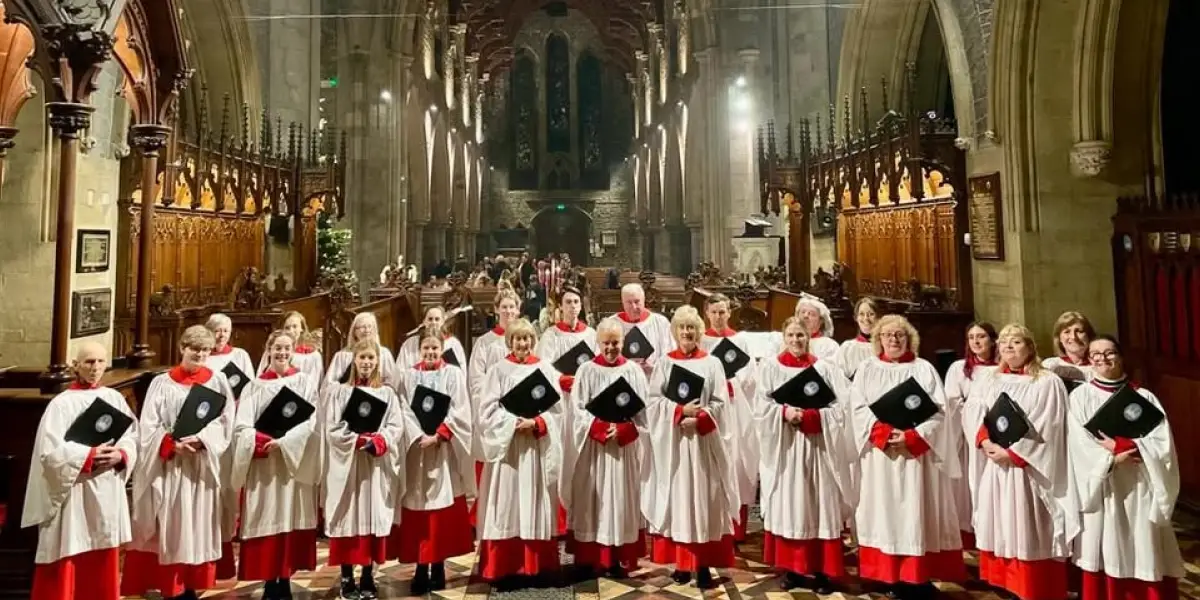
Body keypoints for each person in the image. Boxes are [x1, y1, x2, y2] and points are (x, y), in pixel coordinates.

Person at [849, 315, 964, 600]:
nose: (894, 340)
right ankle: (887, 574)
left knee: (916, 511)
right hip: (881, 456)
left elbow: (939, 412)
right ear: (878, 339)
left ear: (909, 338)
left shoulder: (923, 369)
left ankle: (916, 576)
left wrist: (913, 436)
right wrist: (884, 433)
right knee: (884, 511)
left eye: (900, 335)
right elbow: (857, 409)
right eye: (887, 335)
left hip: (916, 459)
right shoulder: (867, 369)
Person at [963, 324, 1078, 600]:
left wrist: (1014, 454)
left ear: (1030, 347)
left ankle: (1036, 587)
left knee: (1029, 524)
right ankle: (1009, 585)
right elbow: (974, 412)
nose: (1008, 347)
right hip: (996, 465)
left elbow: (1049, 425)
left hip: (1027, 470)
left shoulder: (1047, 381)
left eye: (1016, 342)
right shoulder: (989, 378)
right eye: (1003, 343)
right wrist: (985, 442)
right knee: (1002, 523)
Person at [123, 326, 237, 600]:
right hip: (171, 466)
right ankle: (171, 585)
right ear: (182, 348)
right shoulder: (162, 383)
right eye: (194, 349)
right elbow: (148, 425)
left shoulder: (217, 381)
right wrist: (171, 444)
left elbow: (225, 420)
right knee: (172, 525)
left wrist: (202, 440)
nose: (199, 354)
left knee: (197, 525)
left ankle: (190, 585)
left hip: (200, 465)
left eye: (205, 350)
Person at [1067, 335, 1183, 600]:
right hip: (1104, 486)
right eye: (1095, 354)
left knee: (1144, 542)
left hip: (1140, 482)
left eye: (1109, 353)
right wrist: (1109, 459)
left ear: (1120, 357)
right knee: (1107, 544)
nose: (1102, 358)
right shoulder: (1081, 396)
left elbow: (1162, 443)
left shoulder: (1143, 397)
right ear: (1089, 360)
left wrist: (1124, 446)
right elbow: (1078, 443)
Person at [23, 342, 138, 600]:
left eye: (99, 362)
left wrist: (121, 454)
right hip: (74, 492)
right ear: (75, 365)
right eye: (88, 362)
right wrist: (88, 455)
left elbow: (132, 437)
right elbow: (48, 454)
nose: (95, 368)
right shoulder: (61, 405)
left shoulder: (114, 398)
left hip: (106, 487)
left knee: (103, 551)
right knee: (70, 549)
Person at [754, 318, 855, 594]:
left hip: (818, 447)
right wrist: (784, 413)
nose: (796, 340)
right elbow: (760, 408)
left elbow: (840, 407)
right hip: (786, 448)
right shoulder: (771, 367)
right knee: (791, 503)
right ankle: (793, 569)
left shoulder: (824, 368)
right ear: (784, 337)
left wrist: (813, 416)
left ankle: (822, 570)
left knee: (820, 503)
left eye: (800, 335)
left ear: (808, 337)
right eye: (791, 335)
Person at [644, 305, 738, 589]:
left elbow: (721, 404)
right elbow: (653, 401)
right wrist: (678, 411)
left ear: (699, 332)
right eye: (682, 328)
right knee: (679, 499)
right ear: (675, 332)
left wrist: (700, 417)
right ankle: (682, 564)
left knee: (704, 500)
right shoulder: (664, 363)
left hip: (703, 444)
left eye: (692, 328)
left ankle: (704, 564)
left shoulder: (712, 363)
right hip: (675, 444)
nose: (687, 333)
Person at [228, 330, 321, 599]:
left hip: (293, 465)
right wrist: (261, 440)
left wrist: (287, 442)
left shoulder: (304, 382)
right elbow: (241, 427)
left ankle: (286, 578)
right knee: (268, 516)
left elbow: (312, 422)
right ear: (268, 350)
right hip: (265, 465)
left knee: (291, 516)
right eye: (277, 348)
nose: (282, 353)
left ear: (293, 351)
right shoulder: (254, 386)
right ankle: (270, 581)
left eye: (287, 348)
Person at [475, 319, 565, 589]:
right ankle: (505, 567)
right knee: (507, 503)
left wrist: (538, 423)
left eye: (527, 338)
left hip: (535, 448)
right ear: (509, 342)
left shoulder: (545, 369)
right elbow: (487, 410)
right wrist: (513, 423)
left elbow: (559, 411)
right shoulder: (498, 370)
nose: (523, 344)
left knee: (535, 500)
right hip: (510, 450)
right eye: (518, 339)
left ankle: (536, 566)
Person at [562, 320, 650, 578]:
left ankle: (620, 557)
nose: (611, 348)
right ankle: (592, 556)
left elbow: (645, 413)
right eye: (606, 343)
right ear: (597, 344)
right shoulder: (587, 371)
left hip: (623, 449)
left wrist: (625, 429)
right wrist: (599, 427)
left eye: (615, 342)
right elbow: (576, 410)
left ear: (623, 342)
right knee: (594, 499)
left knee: (622, 499)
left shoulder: (634, 371)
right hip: (594, 449)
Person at [391, 334, 475, 594]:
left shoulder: (454, 375)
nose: (430, 352)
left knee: (441, 510)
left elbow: (460, 409)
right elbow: (402, 408)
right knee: (418, 511)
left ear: (442, 349)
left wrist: (439, 434)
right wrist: (418, 435)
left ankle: (438, 565)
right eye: (426, 348)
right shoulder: (407, 376)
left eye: (435, 348)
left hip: (443, 451)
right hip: (416, 451)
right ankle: (419, 566)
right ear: (419, 350)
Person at [323, 339, 405, 600]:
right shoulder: (339, 393)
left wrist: (380, 440)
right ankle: (346, 576)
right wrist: (355, 440)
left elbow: (396, 426)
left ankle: (368, 574)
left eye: (371, 358)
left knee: (371, 514)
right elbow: (332, 428)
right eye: (362, 358)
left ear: (377, 361)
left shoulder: (387, 393)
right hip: (348, 463)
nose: (367, 363)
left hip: (373, 465)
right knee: (347, 514)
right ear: (354, 361)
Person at [535, 286, 597, 536]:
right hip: (560, 404)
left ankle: (581, 515)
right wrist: (563, 380)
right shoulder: (551, 335)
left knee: (582, 456)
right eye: (568, 302)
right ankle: (558, 518)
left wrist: (582, 382)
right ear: (560, 307)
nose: (572, 306)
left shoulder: (591, 334)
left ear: (582, 306)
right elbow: (543, 368)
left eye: (576, 302)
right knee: (560, 455)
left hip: (583, 404)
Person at [698, 293, 758, 542]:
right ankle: (713, 526)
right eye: (714, 312)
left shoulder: (740, 341)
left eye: (723, 311)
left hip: (737, 409)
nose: (719, 316)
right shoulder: (701, 341)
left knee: (738, 463)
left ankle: (737, 528)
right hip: (713, 410)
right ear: (707, 314)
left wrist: (733, 383)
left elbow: (751, 375)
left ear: (729, 312)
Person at [203, 312, 258, 579]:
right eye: (217, 330)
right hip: (209, 427)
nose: (221, 335)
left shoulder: (240, 356)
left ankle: (231, 529)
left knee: (231, 481)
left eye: (226, 330)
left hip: (234, 421)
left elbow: (250, 389)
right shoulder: (202, 356)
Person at [942, 321, 998, 549]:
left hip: (993, 435)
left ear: (993, 340)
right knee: (967, 487)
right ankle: (968, 533)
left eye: (981, 336)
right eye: (972, 337)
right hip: (966, 439)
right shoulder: (959, 368)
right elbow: (952, 402)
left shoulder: (1001, 368)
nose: (976, 341)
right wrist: (972, 414)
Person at [605, 283, 674, 374]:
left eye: (637, 302)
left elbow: (670, 354)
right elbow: (604, 356)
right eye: (629, 302)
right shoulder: (610, 324)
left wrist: (654, 369)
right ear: (622, 303)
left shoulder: (661, 323)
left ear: (644, 300)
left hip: (652, 380)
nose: (634, 307)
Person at [324, 312, 397, 388]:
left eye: (370, 326)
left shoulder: (384, 354)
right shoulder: (342, 356)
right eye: (362, 327)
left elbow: (393, 383)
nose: (367, 330)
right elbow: (329, 385)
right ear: (354, 331)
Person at [258, 311, 323, 383]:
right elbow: (261, 376)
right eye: (287, 328)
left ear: (302, 329)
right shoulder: (271, 352)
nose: (291, 331)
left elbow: (314, 382)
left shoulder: (312, 355)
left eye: (295, 326)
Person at [397, 306, 468, 368]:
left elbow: (460, 372)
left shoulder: (453, 343)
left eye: (437, 319)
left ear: (443, 321)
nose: (433, 322)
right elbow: (400, 370)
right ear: (424, 321)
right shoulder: (410, 343)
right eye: (430, 319)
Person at [1042, 310, 1095, 383]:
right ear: (1059, 338)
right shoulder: (1050, 364)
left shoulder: (1100, 365)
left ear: (1089, 336)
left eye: (1079, 331)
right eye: (1067, 332)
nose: (1073, 337)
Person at [834, 297, 878, 379]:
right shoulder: (847, 347)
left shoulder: (885, 347)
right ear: (856, 318)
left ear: (878, 317)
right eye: (861, 314)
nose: (866, 318)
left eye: (871, 314)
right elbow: (839, 377)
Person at [794, 295, 839, 361]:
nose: (805, 316)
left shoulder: (829, 346)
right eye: (803, 312)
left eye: (812, 314)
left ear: (821, 321)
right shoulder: (781, 339)